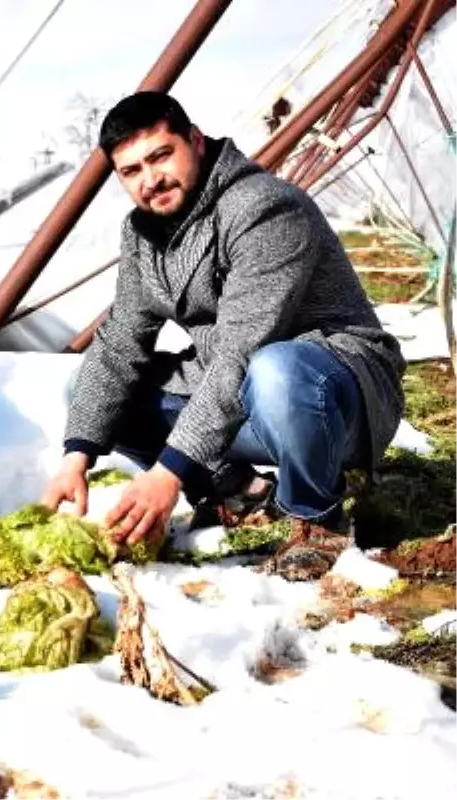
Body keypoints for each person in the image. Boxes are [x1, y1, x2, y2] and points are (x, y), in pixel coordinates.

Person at [40, 91, 406, 555]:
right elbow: (119, 345)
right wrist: (77, 457)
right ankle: (237, 490)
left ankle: (315, 519)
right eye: (131, 171)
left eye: (160, 156)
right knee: (92, 392)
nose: (151, 179)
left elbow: (242, 350)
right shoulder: (142, 234)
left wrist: (168, 472)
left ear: (194, 141)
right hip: (241, 397)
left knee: (275, 369)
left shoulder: (264, 208)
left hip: (333, 391)